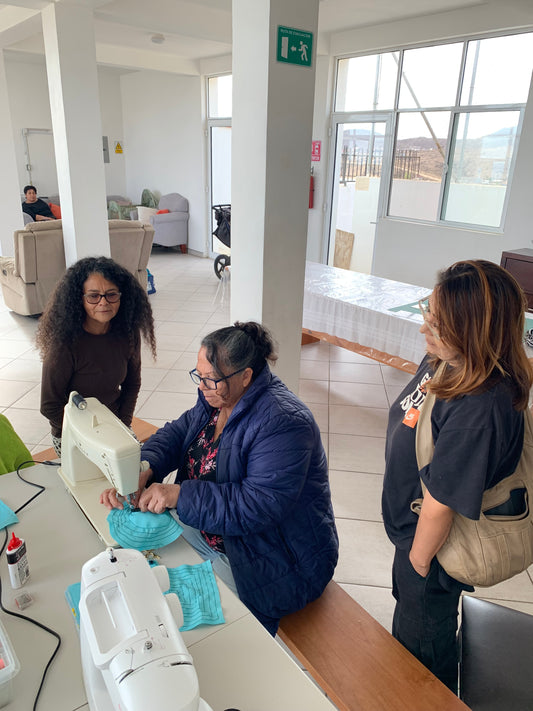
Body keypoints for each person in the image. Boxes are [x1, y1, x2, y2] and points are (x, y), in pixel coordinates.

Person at [101, 321, 339, 635]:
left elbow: (257, 506)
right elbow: (178, 432)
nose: (202, 386)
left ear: (246, 376)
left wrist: (179, 495)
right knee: (132, 569)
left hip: (274, 562)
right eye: (199, 376)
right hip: (217, 533)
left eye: (211, 379)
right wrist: (146, 466)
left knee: (181, 619)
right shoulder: (217, 399)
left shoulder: (284, 423)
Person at [382, 260, 533, 693]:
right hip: (413, 537)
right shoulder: (449, 360)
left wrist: (418, 563)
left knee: (423, 659)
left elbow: (440, 504)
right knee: (411, 633)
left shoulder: (480, 407)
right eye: (427, 315)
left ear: (472, 333)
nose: (424, 331)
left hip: (434, 551)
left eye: (438, 324)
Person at [36, 256, 156, 456]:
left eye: (111, 294)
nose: (103, 302)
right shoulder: (64, 343)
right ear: (78, 298)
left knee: (139, 473)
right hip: (73, 433)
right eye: (93, 296)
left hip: (114, 425)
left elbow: (132, 384)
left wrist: (122, 426)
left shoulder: (128, 331)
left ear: (121, 296)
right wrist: (92, 437)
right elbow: (50, 406)